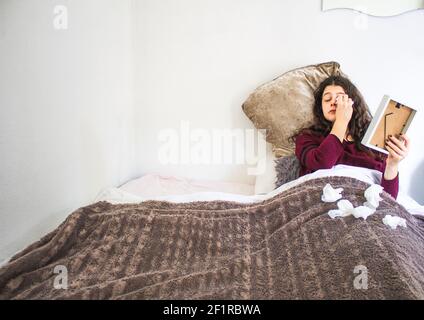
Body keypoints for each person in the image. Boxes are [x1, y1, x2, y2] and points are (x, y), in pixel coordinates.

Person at [290, 76, 410, 200]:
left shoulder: (372, 141)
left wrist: (393, 164)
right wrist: (341, 121)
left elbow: (389, 198)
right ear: (321, 108)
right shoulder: (307, 137)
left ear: (353, 104)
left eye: (341, 98)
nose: (333, 102)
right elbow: (322, 163)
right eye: (327, 99)